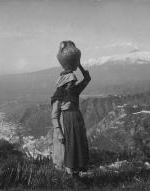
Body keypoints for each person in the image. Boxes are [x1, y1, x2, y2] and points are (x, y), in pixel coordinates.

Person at [51, 40, 91, 177]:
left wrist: (78, 64)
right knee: (69, 149)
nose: (74, 83)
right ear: (65, 83)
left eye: (74, 81)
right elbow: (54, 116)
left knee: (78, 147)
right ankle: (70, 178)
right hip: (66, 123)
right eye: (72, 82)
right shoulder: (59, 95)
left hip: (76, 122)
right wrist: (59, 133)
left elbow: (87, 78)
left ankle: (77, 176)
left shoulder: (74, 92)